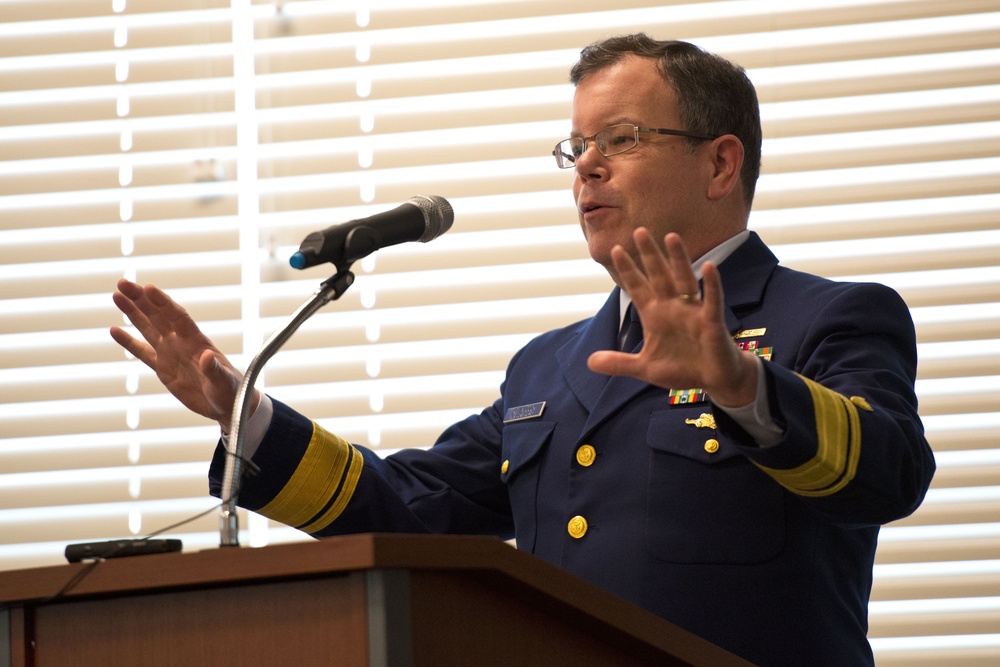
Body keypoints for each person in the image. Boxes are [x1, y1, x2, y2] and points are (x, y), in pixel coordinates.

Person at [111, 33, 935, 666]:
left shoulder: (829, 317)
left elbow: (889, 472)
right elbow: (413, 506)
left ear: (721, 163)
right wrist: (243, 414)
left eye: (622, 138)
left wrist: (741, 382)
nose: (587, 170)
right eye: (577, 148)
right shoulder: (548, 366)